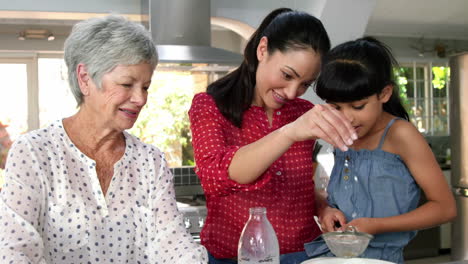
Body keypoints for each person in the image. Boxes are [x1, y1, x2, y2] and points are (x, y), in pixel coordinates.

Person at [0, 15, 207, 263]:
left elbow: (174, 246)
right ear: (85, 78)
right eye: (127, 84)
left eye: (145, 87)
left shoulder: (150, 161)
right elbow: (16, 252)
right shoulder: (33, 153)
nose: (140, 99)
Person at [188, 8, 357, 264]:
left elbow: (298, 185)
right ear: (263, 49)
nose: (292, 93)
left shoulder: (303, 113)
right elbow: (216, 178)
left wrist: (322, 208)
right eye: (287, 75)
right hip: (233, 257)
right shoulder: (210, 106)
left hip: (305, 254)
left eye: (305, 84)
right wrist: (288, 133)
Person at [304, 37, 457, 264]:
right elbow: (347, 195)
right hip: (333, 257)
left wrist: (376, 226)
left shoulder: (401, 135)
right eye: (336, 107)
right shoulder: (342, 135)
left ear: (384, 94)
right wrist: (325, 209)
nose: (346, 117)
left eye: (358, 106)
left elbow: (445, 208)